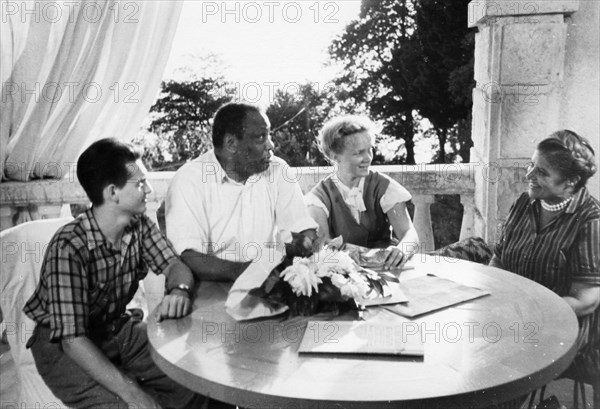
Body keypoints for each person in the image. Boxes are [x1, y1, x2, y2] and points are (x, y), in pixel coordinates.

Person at [23, 138, 220, 409]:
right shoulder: (69, 246)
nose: (149, 189)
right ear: (113, 192)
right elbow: (72, 340)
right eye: (140, 183)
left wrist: (180, 290)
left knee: (196, 377)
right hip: (64, 346)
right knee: (127, 404)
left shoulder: (138, 225)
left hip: (114, 329)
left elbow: (175, 266)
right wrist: (131, 391)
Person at [490, 130, 600, 379]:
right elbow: (499, 259)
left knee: (500, 366)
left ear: (570, 181)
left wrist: (527, 314)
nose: (529, 175)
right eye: (532, 165)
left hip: (567, 325)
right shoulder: (524, 203)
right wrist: (493, 299)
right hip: (515, 315)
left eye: (542, 172)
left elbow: (587, 300)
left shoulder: (591, 221)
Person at [166, 102, 318, 281]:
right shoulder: (189, 179)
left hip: (269, 283)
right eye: (261, 137)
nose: (271, 145)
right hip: (210, 286)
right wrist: (252, 273)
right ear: (231, 143)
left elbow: (302, 229)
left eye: (269, 135)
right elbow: (189, 255)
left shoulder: (278, 169)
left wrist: (302, 244)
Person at [306, 115, 419, 269]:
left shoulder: (383, 186)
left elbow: (409, 233)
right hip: (344, 274)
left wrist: (402, 250)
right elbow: (322, 248)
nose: (368, 158)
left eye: (369, 150)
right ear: (335, 157)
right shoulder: (319, 197)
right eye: (358, 153)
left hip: (387, 269)